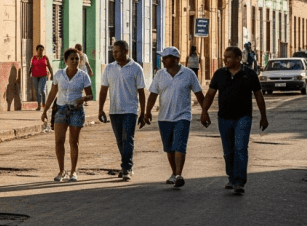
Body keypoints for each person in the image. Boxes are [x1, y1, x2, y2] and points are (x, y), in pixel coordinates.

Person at [199, 46, 269, 195]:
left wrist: (263, 117)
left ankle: (239, 181)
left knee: (241, 148)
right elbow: (210, 95)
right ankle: (231, 176)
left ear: (238, 58)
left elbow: (258, 96)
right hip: (224, 118)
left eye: (228, 57)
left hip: (243, 117)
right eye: (224, 57)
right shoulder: (219, 74)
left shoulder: (249, 74)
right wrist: (204, 112)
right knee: (228, 151)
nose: (225, 60)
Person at [144, 47, 205, 189]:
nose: (163, 60)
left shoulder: (188, 74)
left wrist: (204, 111)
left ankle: (179, 175)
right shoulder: (160, 75)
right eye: (163, 57)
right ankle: (174, 173)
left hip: (182, 116)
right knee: (169, 148)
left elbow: (199, 94)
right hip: (164, 117)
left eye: (166, 57)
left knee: (180, 145)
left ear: (176, 59)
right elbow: (153, 95)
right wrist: (147, 112)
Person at [97, 40, 147, 181]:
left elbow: (141, 92)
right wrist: (100, 109)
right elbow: (103, 90)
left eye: (117, 51)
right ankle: (125, 164)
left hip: (130, 110)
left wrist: (143, 112)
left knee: (128, 139)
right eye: (113, 51)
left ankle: (127, 168)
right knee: (120, 140)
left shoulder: (136, 68)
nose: (114, 53)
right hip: (114, 110)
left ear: (126, 52)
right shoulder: (109, 68)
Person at [41, 48, 93, 182]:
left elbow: (90, 95)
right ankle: (61, 171)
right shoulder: (59, 74)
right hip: (61, 109)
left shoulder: (83, 76)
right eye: (72, 59)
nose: (75, 61)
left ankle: (73, 171)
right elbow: (52, 93)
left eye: (77, 58)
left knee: (73, 142)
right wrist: (45, 110)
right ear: (65, 61)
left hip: (76, 110)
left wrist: (82, 99)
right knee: (59, 141)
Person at [30, 45, 54, 109]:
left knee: (41, 90)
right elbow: (31, 67)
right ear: (37, 51)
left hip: (43, 76)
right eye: (40, 50)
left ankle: (44, 103)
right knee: (37, 90)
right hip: (35, 76)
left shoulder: (45, 58)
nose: (41, 52)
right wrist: (29, 74)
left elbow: (49, 67)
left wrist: (52, 74)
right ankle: (39, 105)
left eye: (42, 50)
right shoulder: (34, 58)